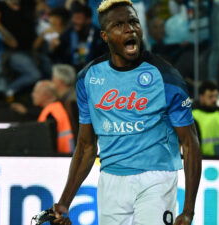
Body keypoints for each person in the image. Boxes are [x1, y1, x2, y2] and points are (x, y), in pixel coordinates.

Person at [51, 0, 202, 224]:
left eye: (133, 22)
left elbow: (190, 143)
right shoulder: (88, 78)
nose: (129, 29)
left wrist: (189, 210)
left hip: (157, 178)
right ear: (105, 36)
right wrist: (64, 203)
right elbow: (85, 146)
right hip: (111, 179)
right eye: (119, 24)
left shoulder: (167, 78)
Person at [52, 2, 107, 70]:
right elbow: (58, 57)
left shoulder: (99, 36)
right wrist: (54, 48)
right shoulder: (67, 34)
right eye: (74, 18)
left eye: (78, 18)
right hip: (71, 73)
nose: (74, 21)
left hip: (93, 72)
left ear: (88, 20)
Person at [32, 80, 75, 154]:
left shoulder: (50, 114)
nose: (33, 95)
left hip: (59, 156)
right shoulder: (57, 108)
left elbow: (47, 142)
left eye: (36, 92)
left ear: (46, 95)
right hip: (66, 154)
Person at [192, 81, 219, 156]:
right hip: (203, 160)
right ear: (201, 97)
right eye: (210, 96)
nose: (214, 99)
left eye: (216, 96)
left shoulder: (218, 114)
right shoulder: (193, 116)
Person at [51, 64, 79, 142]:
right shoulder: (68, 98)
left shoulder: (72, 101)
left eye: (53, 78)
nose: (51, 81)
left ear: (60, 81)